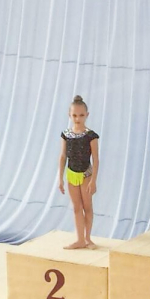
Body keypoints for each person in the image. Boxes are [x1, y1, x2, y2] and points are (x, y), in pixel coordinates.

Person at [58, 95, 100, 249]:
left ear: (87, 115)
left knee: (87, 207)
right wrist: (60, 178)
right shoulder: (66, 134)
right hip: (71, 174)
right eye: (74, 115)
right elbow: (63, 156)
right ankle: (80, 239)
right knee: (76, 208)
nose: (77, 118)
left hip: (86, 174)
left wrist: (93, 180)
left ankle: (87, 238)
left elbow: (96, 159)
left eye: (81, 115)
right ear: (69, 115)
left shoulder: (91, 136)